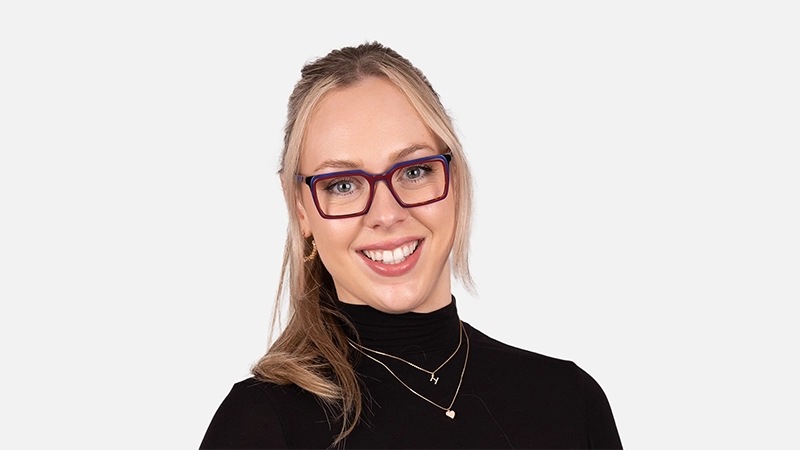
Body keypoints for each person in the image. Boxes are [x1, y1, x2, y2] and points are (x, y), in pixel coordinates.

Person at [200, 41, 622, 449]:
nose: (386, 214)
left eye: (414, 171)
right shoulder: (258, 424)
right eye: (342, 184)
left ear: (454, 178)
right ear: (301, 208)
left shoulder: (571, 403)